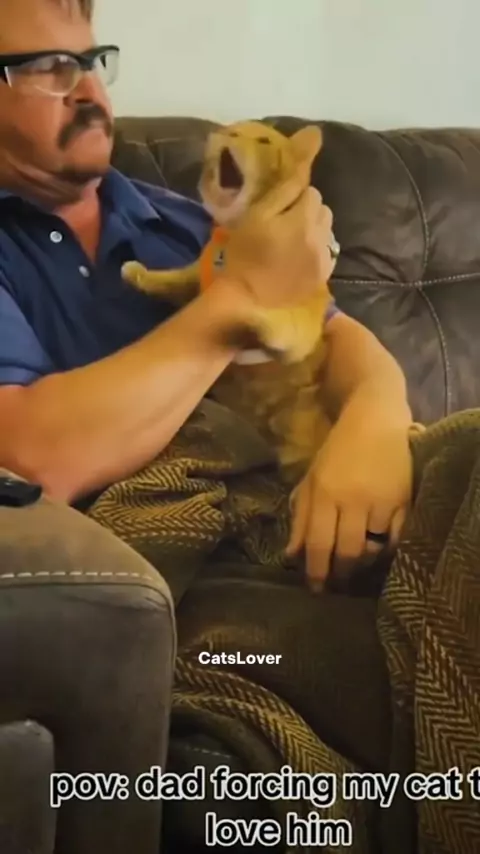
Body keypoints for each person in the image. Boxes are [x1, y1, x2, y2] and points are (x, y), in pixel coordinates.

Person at [0, 0, 414, 590]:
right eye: (51, 68)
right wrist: (241, 295)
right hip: (191, 556)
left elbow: (333, 333)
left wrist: (376, 422)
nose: (90, 92)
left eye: (92, 62)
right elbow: (30, 458)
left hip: (327, 494)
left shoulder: (188, 220)